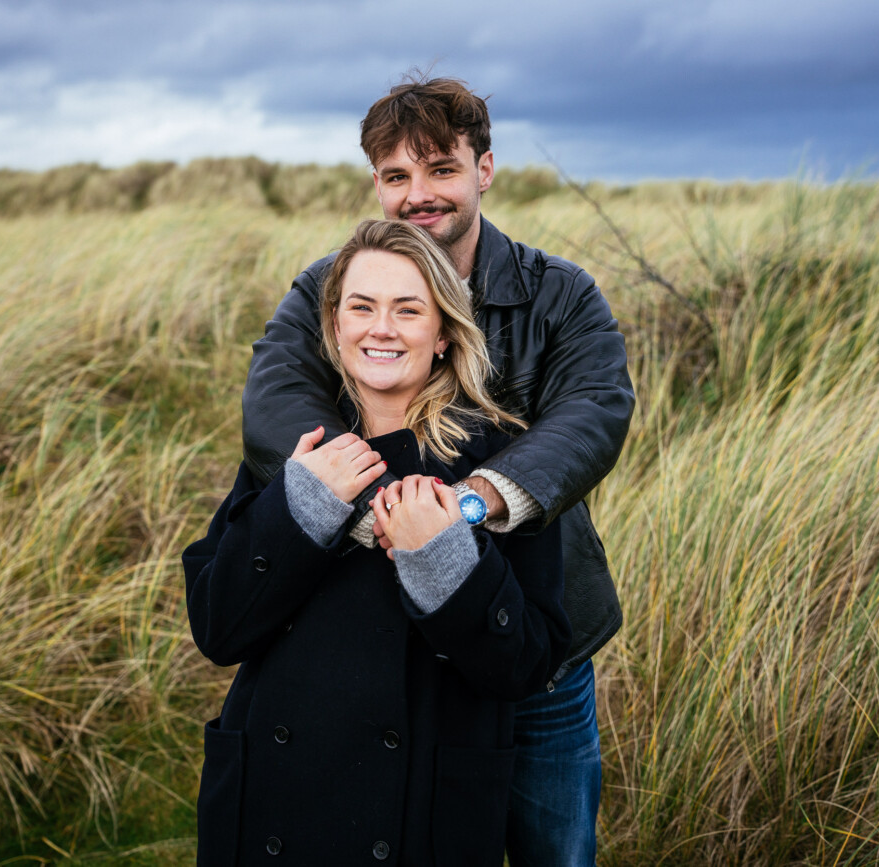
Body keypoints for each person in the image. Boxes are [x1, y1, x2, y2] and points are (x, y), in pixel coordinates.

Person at [241, 74, 634, 865]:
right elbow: (275, 399)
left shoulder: (560, 296)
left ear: (484, 169)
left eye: (441, 170)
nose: (419, 195)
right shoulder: (331, 287)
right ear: (376, 184)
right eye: (396, 176)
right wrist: (384, 513)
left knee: (556, 851)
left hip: (542, 655)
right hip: (397, 656)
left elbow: (594, 412)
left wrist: (462, 509)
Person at [184, 219, 571, 865]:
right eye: (361, 306)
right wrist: (301, 505)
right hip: (272, 804)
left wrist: (444, 559)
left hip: (419, 814)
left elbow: (524, 666)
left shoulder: (499, 462)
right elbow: (219, 629)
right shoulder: (295, 449)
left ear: (443, 332)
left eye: (408, 309)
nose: (381, 328)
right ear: (335, 325)